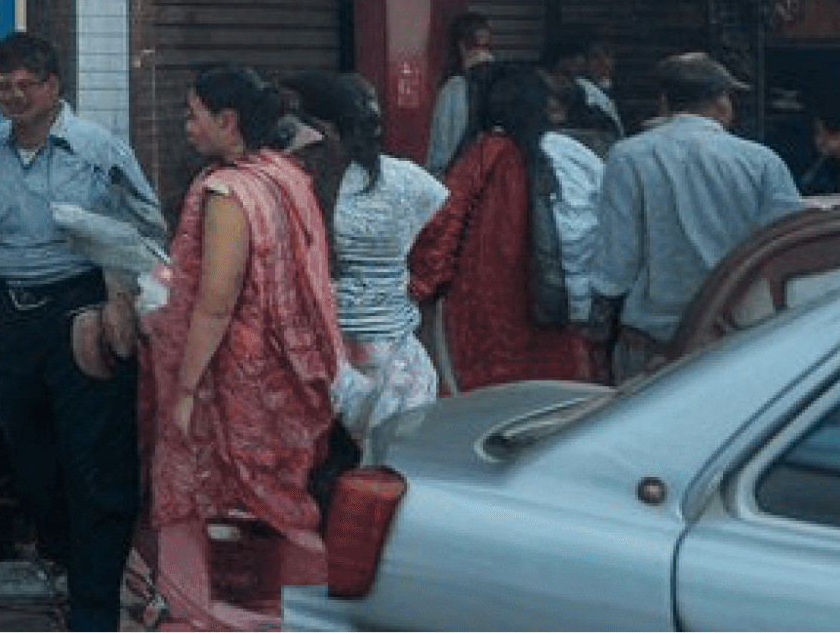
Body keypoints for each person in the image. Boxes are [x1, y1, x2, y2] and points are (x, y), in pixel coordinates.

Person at [0, 30, 160, 633]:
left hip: (79, 318)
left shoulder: (96, 149)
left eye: (24, 84)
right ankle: (69, 566)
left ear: (53, 86)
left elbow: (147, 227)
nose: (12, 95)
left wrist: (115, 284)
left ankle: (94, 612)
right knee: (33, 465)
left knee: (94, 466)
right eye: (2, 84)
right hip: (8, 321)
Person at [143, 64, 341, 632]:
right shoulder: (286, 175)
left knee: (195, 500)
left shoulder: (228, 190)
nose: (186, 125)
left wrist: (184, 389)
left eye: (193, 113)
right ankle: (293, 611)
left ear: (226, 120)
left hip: (234, 380)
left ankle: (202, 615)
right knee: (278, 501)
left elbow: (217, 300)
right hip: (286, 372)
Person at [593, 50, 803, 377]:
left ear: (664, 102)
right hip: (738, 336)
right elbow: (788, 247)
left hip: (650, 342)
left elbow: (617, 263)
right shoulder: (760, 161)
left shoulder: (628, 156)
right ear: (722, 102)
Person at [407, 61, 597, 388]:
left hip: (485, 300)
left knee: (491, 399)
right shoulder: (572, 153)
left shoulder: (484, 154)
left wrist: (421, 287)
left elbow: (443, 226)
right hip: (555, 304)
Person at [288, 70, 446, 441]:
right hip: (395, 365)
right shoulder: (410, 180)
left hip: (317, 361)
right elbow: (438, 239)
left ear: (320, 128)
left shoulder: (295, 183)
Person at [423, 12, 492, 172]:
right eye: (476, 46)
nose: (484, 54)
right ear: (462, 47)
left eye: (487, 47)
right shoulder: (454, 88)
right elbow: (440, 146)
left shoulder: (501, 84)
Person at [540, 29, 625, 151]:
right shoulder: (578, 94)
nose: (603, 62)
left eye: (607, 55)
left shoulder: (614, 92)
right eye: (595, 57)